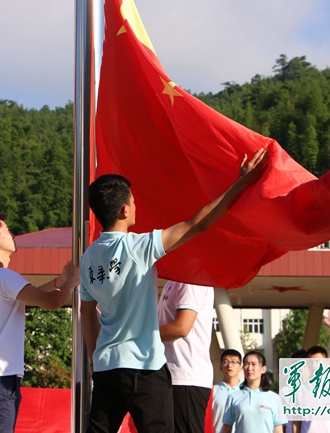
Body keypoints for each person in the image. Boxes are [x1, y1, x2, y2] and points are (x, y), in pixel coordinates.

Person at [80, 148, 268, 433]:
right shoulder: (137, 247)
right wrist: (240, 183)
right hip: (144, 368)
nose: (136, 204)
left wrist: (95, 358)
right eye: (133, 200)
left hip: (107, 368)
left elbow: (86, 312)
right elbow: (197, 223)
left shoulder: (89, 257)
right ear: (124, 210)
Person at [0, 212, 80, 433]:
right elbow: (52, 301)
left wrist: (61, 280)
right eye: (7, 230)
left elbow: (32, 295)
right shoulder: (3, 276)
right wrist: (72, 283)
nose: (13, 234)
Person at [157, 281, 214, 433]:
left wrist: (137, 335)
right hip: (168, 375)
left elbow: (181, 328)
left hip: (186, 376)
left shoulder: (193, 279)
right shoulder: (172, 281)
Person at [221, 350, 287, 433]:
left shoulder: (275, 398)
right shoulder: (233, 397)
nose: (249, 368)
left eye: (254, 364)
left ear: (263, 369)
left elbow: (278, 429)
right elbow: (227, 428)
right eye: (246, 364)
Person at [292, 346, 330, 433]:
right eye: (310, 362)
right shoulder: (299, 390)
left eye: (317, 362)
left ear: (326, 363)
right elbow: (296, 422)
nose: (313, 366)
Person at [212, 349, 243, 433]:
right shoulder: (213, 391)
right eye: (225, 361)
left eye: (234, 362)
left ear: (241, 368)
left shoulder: (246, 392)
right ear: (221, 367)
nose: (230, 365)